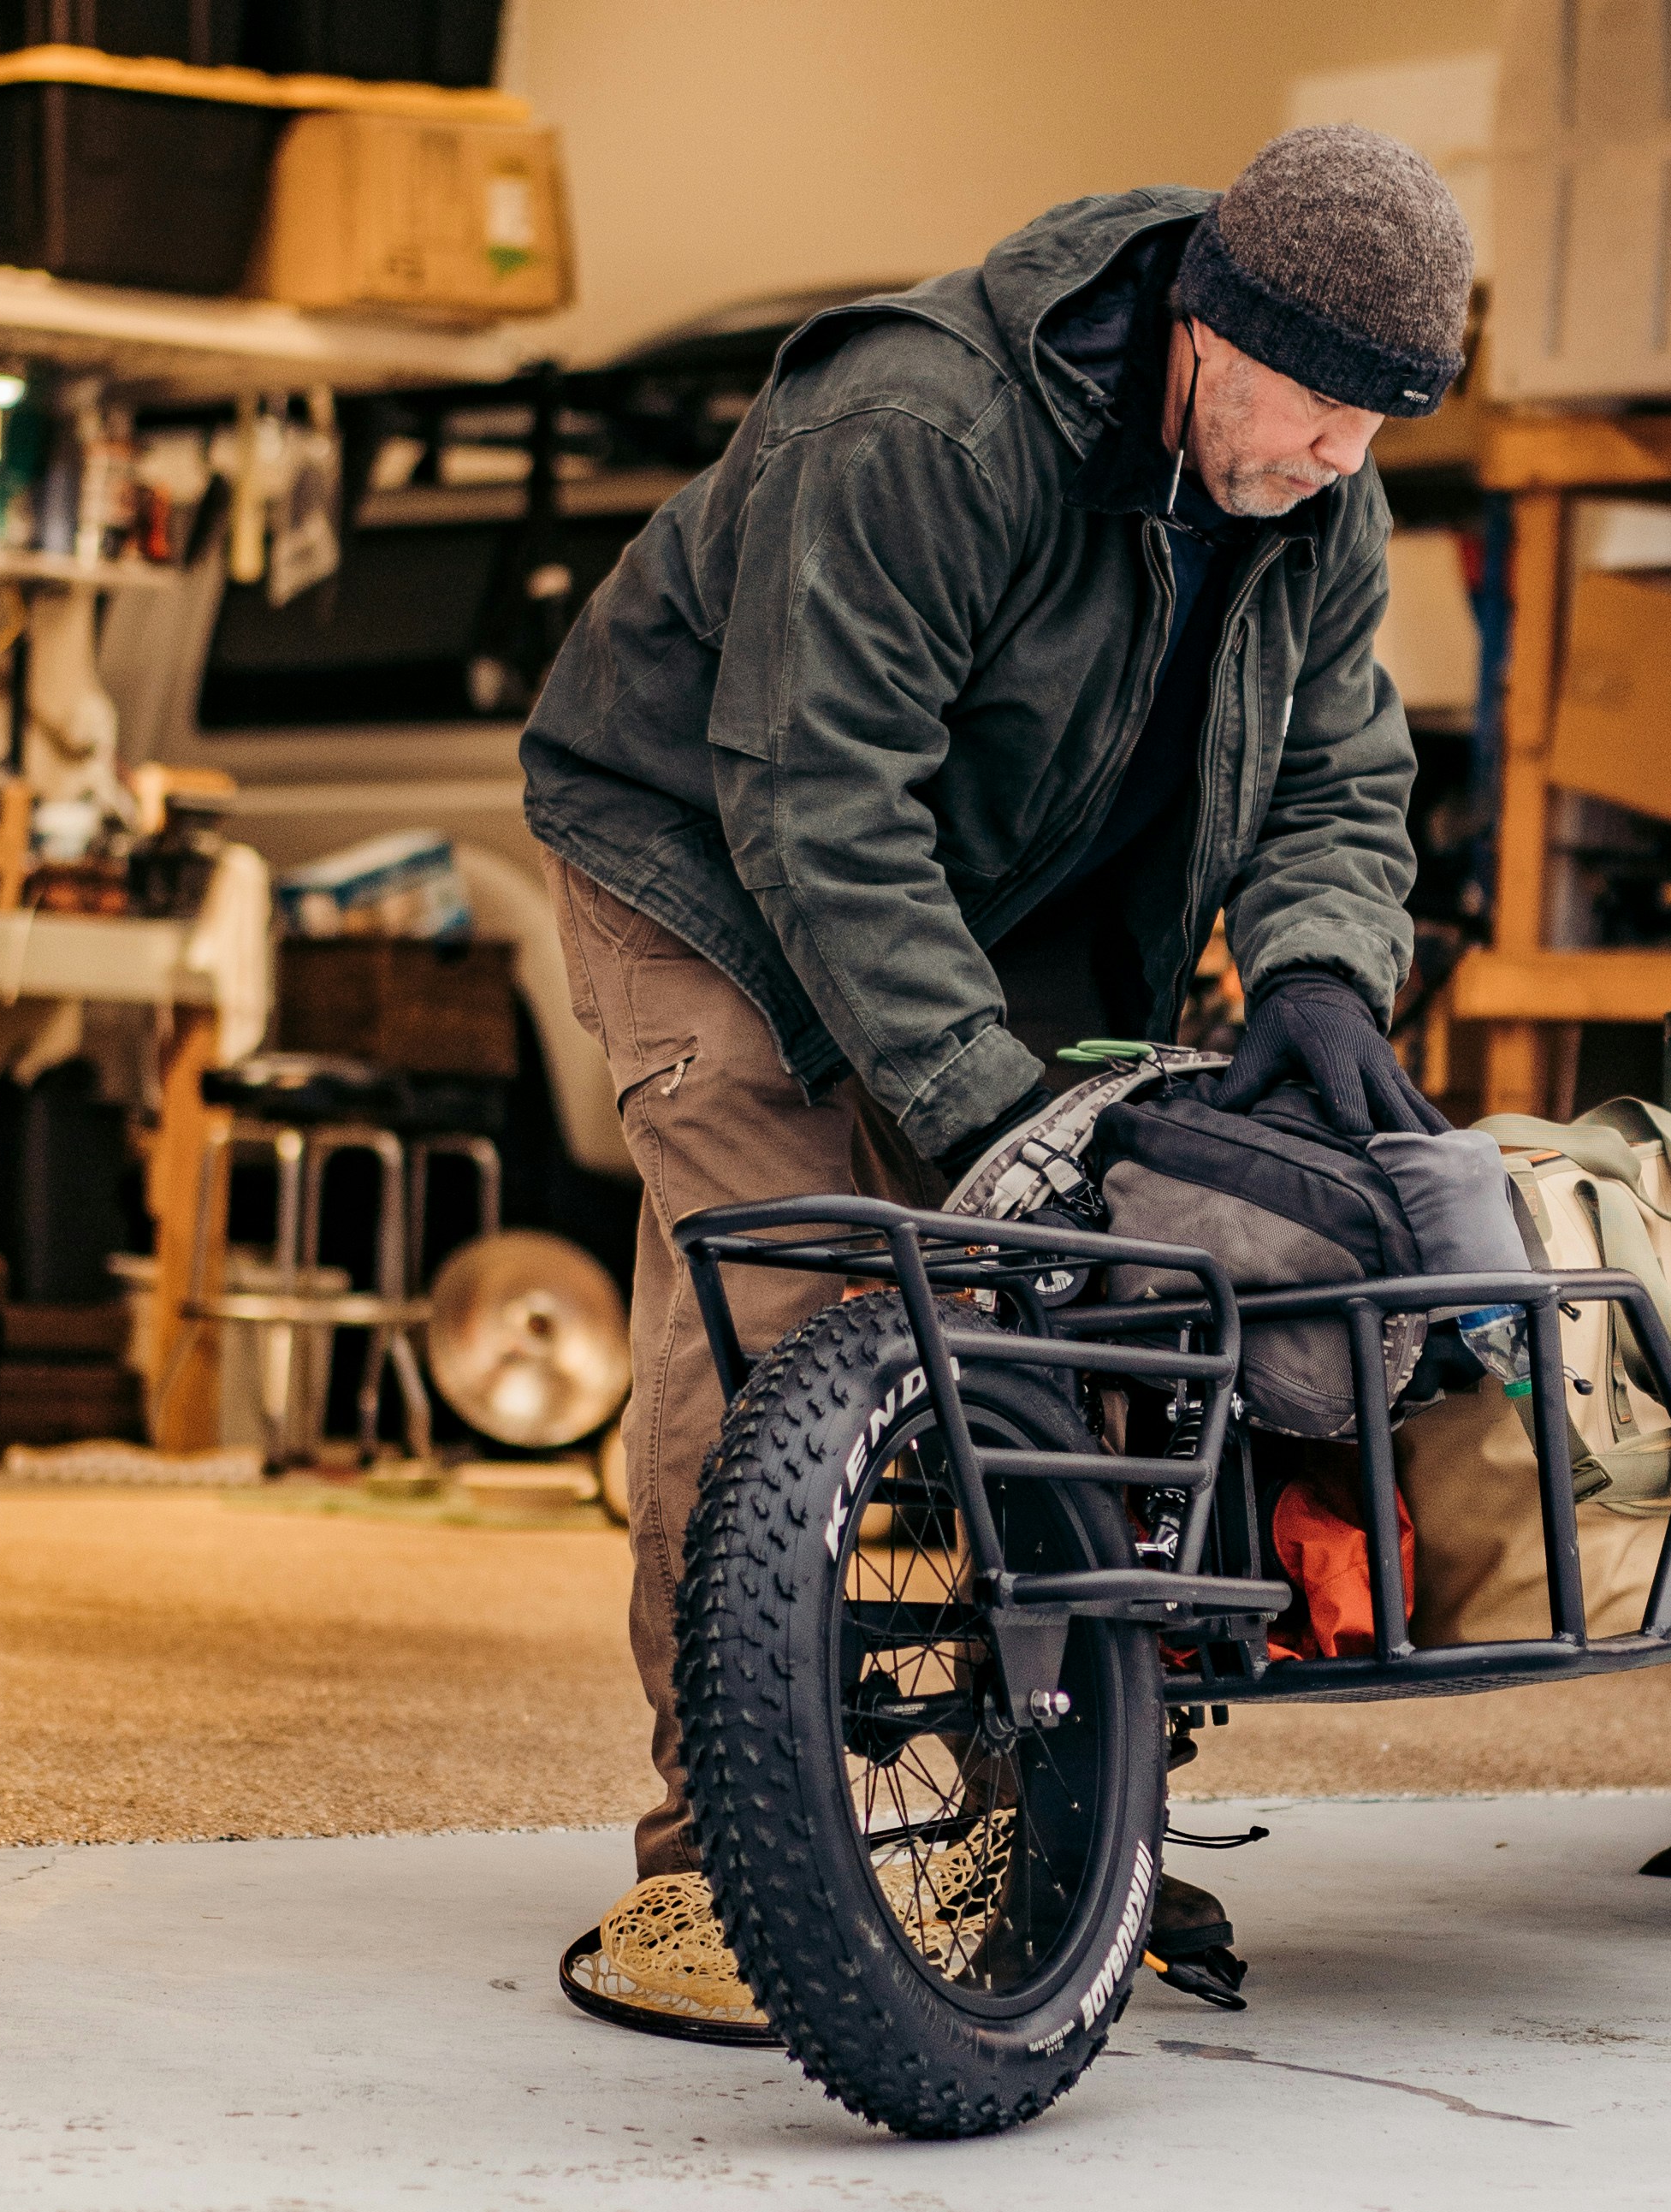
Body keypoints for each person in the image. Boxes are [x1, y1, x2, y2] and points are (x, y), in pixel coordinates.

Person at [523, 127, 1470, 2038]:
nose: (1343, 459)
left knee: (1053, 1318)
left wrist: (1312, 966)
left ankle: (1035, 1810)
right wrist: (974, 1106)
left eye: (1385, 421)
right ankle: (730, 1862)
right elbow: (816, 797)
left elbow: (1339, 777)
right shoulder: (919, 430)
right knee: (784, 1311)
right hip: (707, 850)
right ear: (1209, 324)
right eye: (1320, 405)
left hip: (991, 880)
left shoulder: (1312, 493)